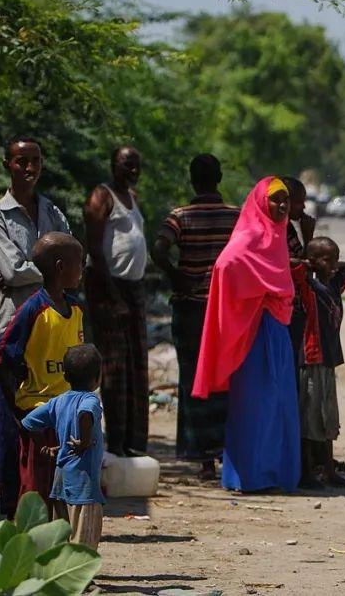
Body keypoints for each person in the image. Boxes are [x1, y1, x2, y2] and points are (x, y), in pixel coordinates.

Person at [193, 177, 301, 493]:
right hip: (256, 330)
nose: (282, 206)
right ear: (260, 202)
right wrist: (257, 295)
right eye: (275, 200)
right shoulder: (251, 233)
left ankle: (275, 474)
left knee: (278, 403)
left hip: (276, 330)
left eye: (286, 200)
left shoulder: (276, 235)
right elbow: (226, 265)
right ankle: (250, 477)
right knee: (256, 404)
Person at [0, 136, 71, 515]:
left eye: (35, 160)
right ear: (7, 164)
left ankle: (46, 510)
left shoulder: (53, 211)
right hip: (13, 331)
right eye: (22, 162)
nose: (29, 168)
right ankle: (8, 511)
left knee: (50, 426)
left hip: (52, 333)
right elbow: (11, 271)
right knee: (11, 423)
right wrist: (54, 270)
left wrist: (47, 272)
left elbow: (70, 261)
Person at [152, 154, 239, 479]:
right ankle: (227, 450)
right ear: (219, 177)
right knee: (226, 377)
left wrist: (175, 275)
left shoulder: (180, 216)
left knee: (194, 377)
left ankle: (202, 457)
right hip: (226, 310)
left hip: (190, 307)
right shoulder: (236, 216)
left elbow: (159, 248)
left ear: (192, 180)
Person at [0, 232, 85, 515]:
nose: (83, 268)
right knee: (35, 492)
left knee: (66, 491)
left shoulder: (77, 309)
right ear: (60, 267)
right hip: (40, 416)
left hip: (68, 417)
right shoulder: (33, 309)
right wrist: (21, 412)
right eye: (79, 262)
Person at [84, 145, 149, 456]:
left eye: (136, 165)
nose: (132, 170)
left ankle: (133, 443)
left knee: (137, 365)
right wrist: (113, 296)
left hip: (134, 289)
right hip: (109, 289)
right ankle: (116, 442)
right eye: (126, 165)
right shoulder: (102, 197)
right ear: (113, 165)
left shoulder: (133, 198)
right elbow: (95, 250)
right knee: (115, 367)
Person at [22, 344, 105, 551]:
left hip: (61, 480)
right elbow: (85, 414)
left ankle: (60, 574)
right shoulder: (90, 399)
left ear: (65, 376)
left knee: (61, 534)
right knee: (83, 536)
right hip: (84, 483)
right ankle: (82, 581)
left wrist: (45, 446)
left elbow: (29, 422)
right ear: (97, 377)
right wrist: (84, 442)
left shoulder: (58, 401)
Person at [295, 236, 345, 489]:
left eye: (334, 258)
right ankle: (306, 470)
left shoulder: (332, 285)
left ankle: (329, 470)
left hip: (328, 360)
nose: (332, 265)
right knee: (309, 416)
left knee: (328, 416)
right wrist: (310, 265)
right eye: (326, 260)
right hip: (311, 358)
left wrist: (328, 265)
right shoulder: (308, 288)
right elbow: (293, 269)